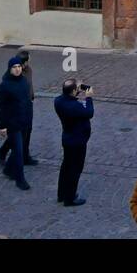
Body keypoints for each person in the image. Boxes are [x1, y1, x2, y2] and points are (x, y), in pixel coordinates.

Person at [54, 78, 94, 207]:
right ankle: (70, 198)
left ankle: (62, 194)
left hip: (67, 139)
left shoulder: (59, 101)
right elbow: (89, 112)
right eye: (77, 88)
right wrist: (89, 97)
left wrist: (80, 86)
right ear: (73, 92)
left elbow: (72, 91)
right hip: (77, 141)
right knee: (75, 169)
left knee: (66, 167)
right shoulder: (74, 107)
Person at [0, 55, 34, 191]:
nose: (17, 70)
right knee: (18, 152)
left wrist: (28, 119)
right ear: (9, 69)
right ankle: (20, 179)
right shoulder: (4, 86)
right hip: (12, 123)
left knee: (19, 149)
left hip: (24, 121)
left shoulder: (23, 81)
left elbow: (26, 102)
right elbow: (0, 107)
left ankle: (7, 169)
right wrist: (2, 126)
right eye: (14, 67)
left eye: (18, 67)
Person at [16, 50, 38, 166]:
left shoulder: (29, 70)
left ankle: (25, 156)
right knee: (19, 132)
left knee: (28, 130)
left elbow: (30, 84)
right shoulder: (16, 73)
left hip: (28, 104)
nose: (30, 61)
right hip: (19, 107)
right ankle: (5, 152)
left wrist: (32, 95)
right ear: (24, 62)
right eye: (28, 59)